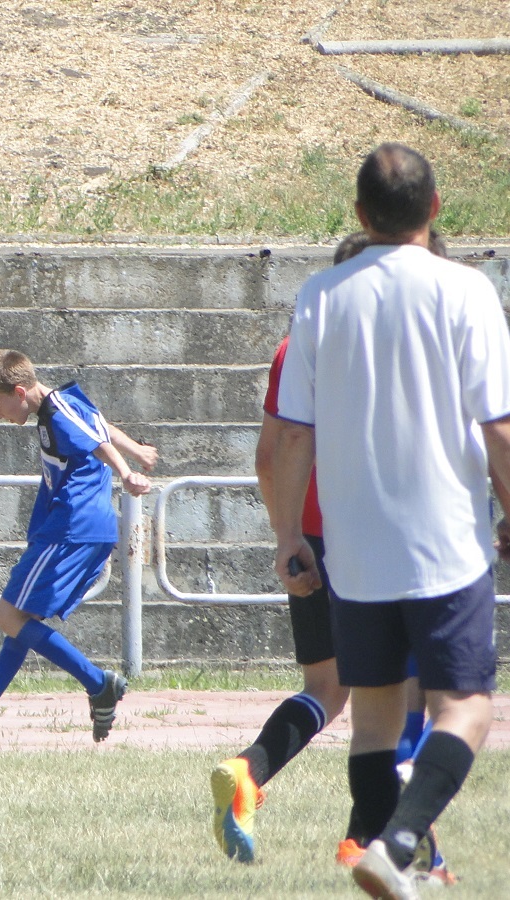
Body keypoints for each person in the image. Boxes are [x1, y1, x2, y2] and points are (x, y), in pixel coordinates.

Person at [269, 143, 510, 899]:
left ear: (360, 215)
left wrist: (288, 537)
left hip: (356, 550)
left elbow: (288, 438)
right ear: (436, 209)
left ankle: (394, 863)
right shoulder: (466, 290)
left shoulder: (321, 295)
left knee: (372, 722)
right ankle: (401, 841)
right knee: (464, 706)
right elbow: (498, 427)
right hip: (445, 542)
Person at [213, 230, 457, 885]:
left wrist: (285, 537)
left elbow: (270, 456)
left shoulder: (294, 348)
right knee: (405, 691)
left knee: (326, 688)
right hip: (384, 535)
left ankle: (248, 773)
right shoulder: (409, 341)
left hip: (312, 536)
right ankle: (380, 840)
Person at [0, 349, 156, 751]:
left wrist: (127, 473)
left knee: (6, 615)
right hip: (83, 530)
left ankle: (97, 682)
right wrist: (137, 449)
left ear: (19, 391)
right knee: (20, 626)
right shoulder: (64, 401)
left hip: (71, 527)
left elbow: (98, 444)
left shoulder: (56, 412)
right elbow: (100, 428)